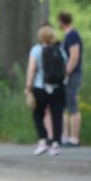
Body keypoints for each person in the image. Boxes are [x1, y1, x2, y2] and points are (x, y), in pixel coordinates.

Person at [24, 25, 67, 156]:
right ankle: (55, 144)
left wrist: (28, 87)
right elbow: (65, 69)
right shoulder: (59, 50)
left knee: (38, 114)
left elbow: (32, 70)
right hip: (57, 87)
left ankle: (43, 140)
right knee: (57, 115)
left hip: (40, 87)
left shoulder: (36, 50)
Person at [58, 11, 83, 147]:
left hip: (72, 75)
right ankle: (65, 136)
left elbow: (74, 56)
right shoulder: (69, 36)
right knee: (65, 105)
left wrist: (67, 72)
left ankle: (74, 138)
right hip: (69, 74)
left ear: (61, 21)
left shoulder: (72, 35)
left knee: (72, 104)